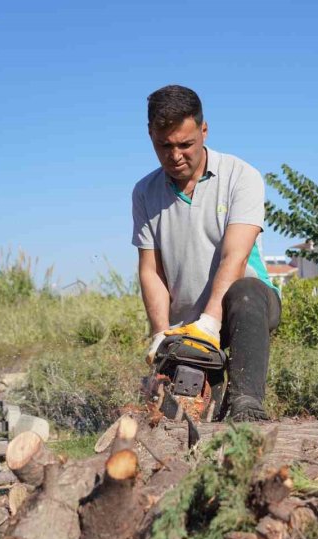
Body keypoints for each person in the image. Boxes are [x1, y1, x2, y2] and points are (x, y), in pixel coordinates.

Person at [131, 84, 280, 421]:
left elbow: (235, 257)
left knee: (246, 292)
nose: (175, 156)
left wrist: (210, 325)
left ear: (204, 130)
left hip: (245, 307)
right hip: (186, 323)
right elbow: (151, 270)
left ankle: (247, 406)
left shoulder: (241, 176)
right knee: (182, 416)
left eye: (185, 144)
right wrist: (161, 334)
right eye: (164, 146)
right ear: (150, 135)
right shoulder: (144, 192)